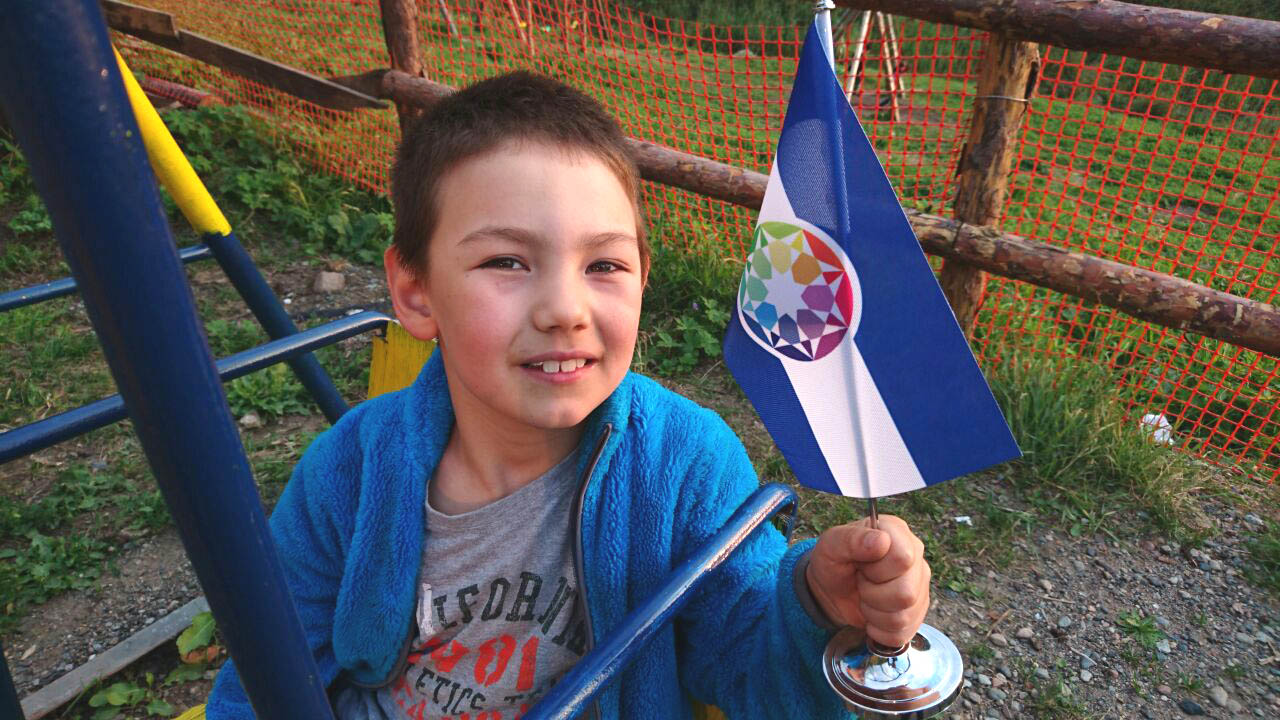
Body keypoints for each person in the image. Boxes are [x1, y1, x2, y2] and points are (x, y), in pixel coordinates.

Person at [206, 71, 930, 720]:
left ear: (644, 277)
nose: (564, 309)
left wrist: (811, 608)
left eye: (604, 264)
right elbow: (264, 681)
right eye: (507, 261)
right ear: (415, 291)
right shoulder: (347, 472)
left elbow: (752, 673)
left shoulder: (684, 465)